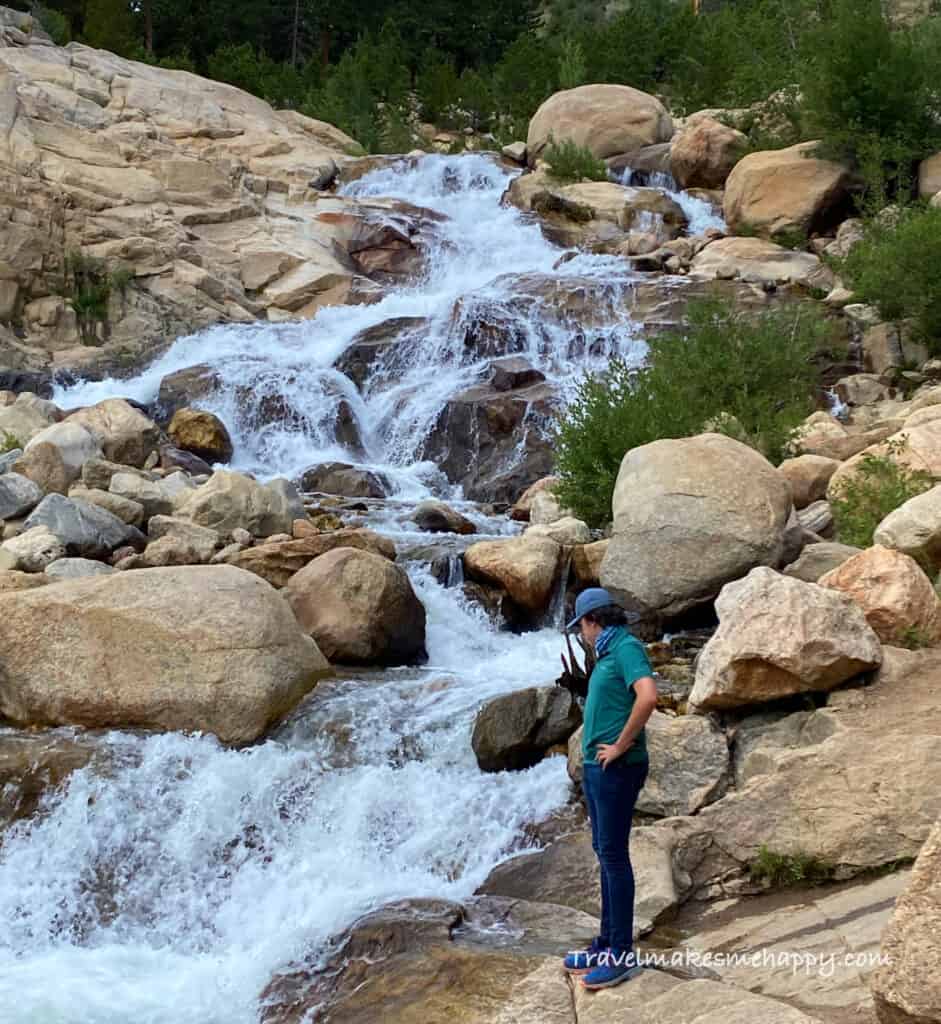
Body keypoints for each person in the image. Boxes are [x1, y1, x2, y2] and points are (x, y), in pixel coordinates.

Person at [561, 587, 658, 990]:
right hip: (599, 770)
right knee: (605, 854)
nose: (580, 634)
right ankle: (605, 944)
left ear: (591, 621)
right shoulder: (609, 651)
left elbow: (648, 696)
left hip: (618, 768)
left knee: (614, 857)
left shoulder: (626, 648)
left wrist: (620, 744)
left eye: (580, 626)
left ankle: (620, 954)